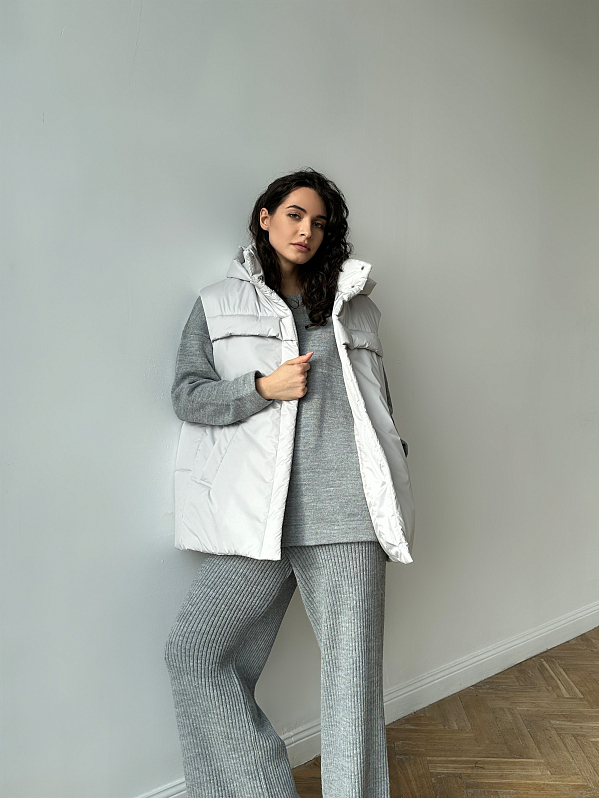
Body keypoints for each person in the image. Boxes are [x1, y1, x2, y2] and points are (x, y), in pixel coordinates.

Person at [164, 168, 415, 798]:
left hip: (347, 514)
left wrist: (392, 468)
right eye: (295, 215)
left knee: (350, 685)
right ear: (266, 217)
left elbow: (378, 408)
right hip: (258, 515)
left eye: (319, 223)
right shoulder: (217, 303)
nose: (306, 231)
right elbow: (188, 396)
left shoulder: (355, 307)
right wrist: (260, 389)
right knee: (194, 651)